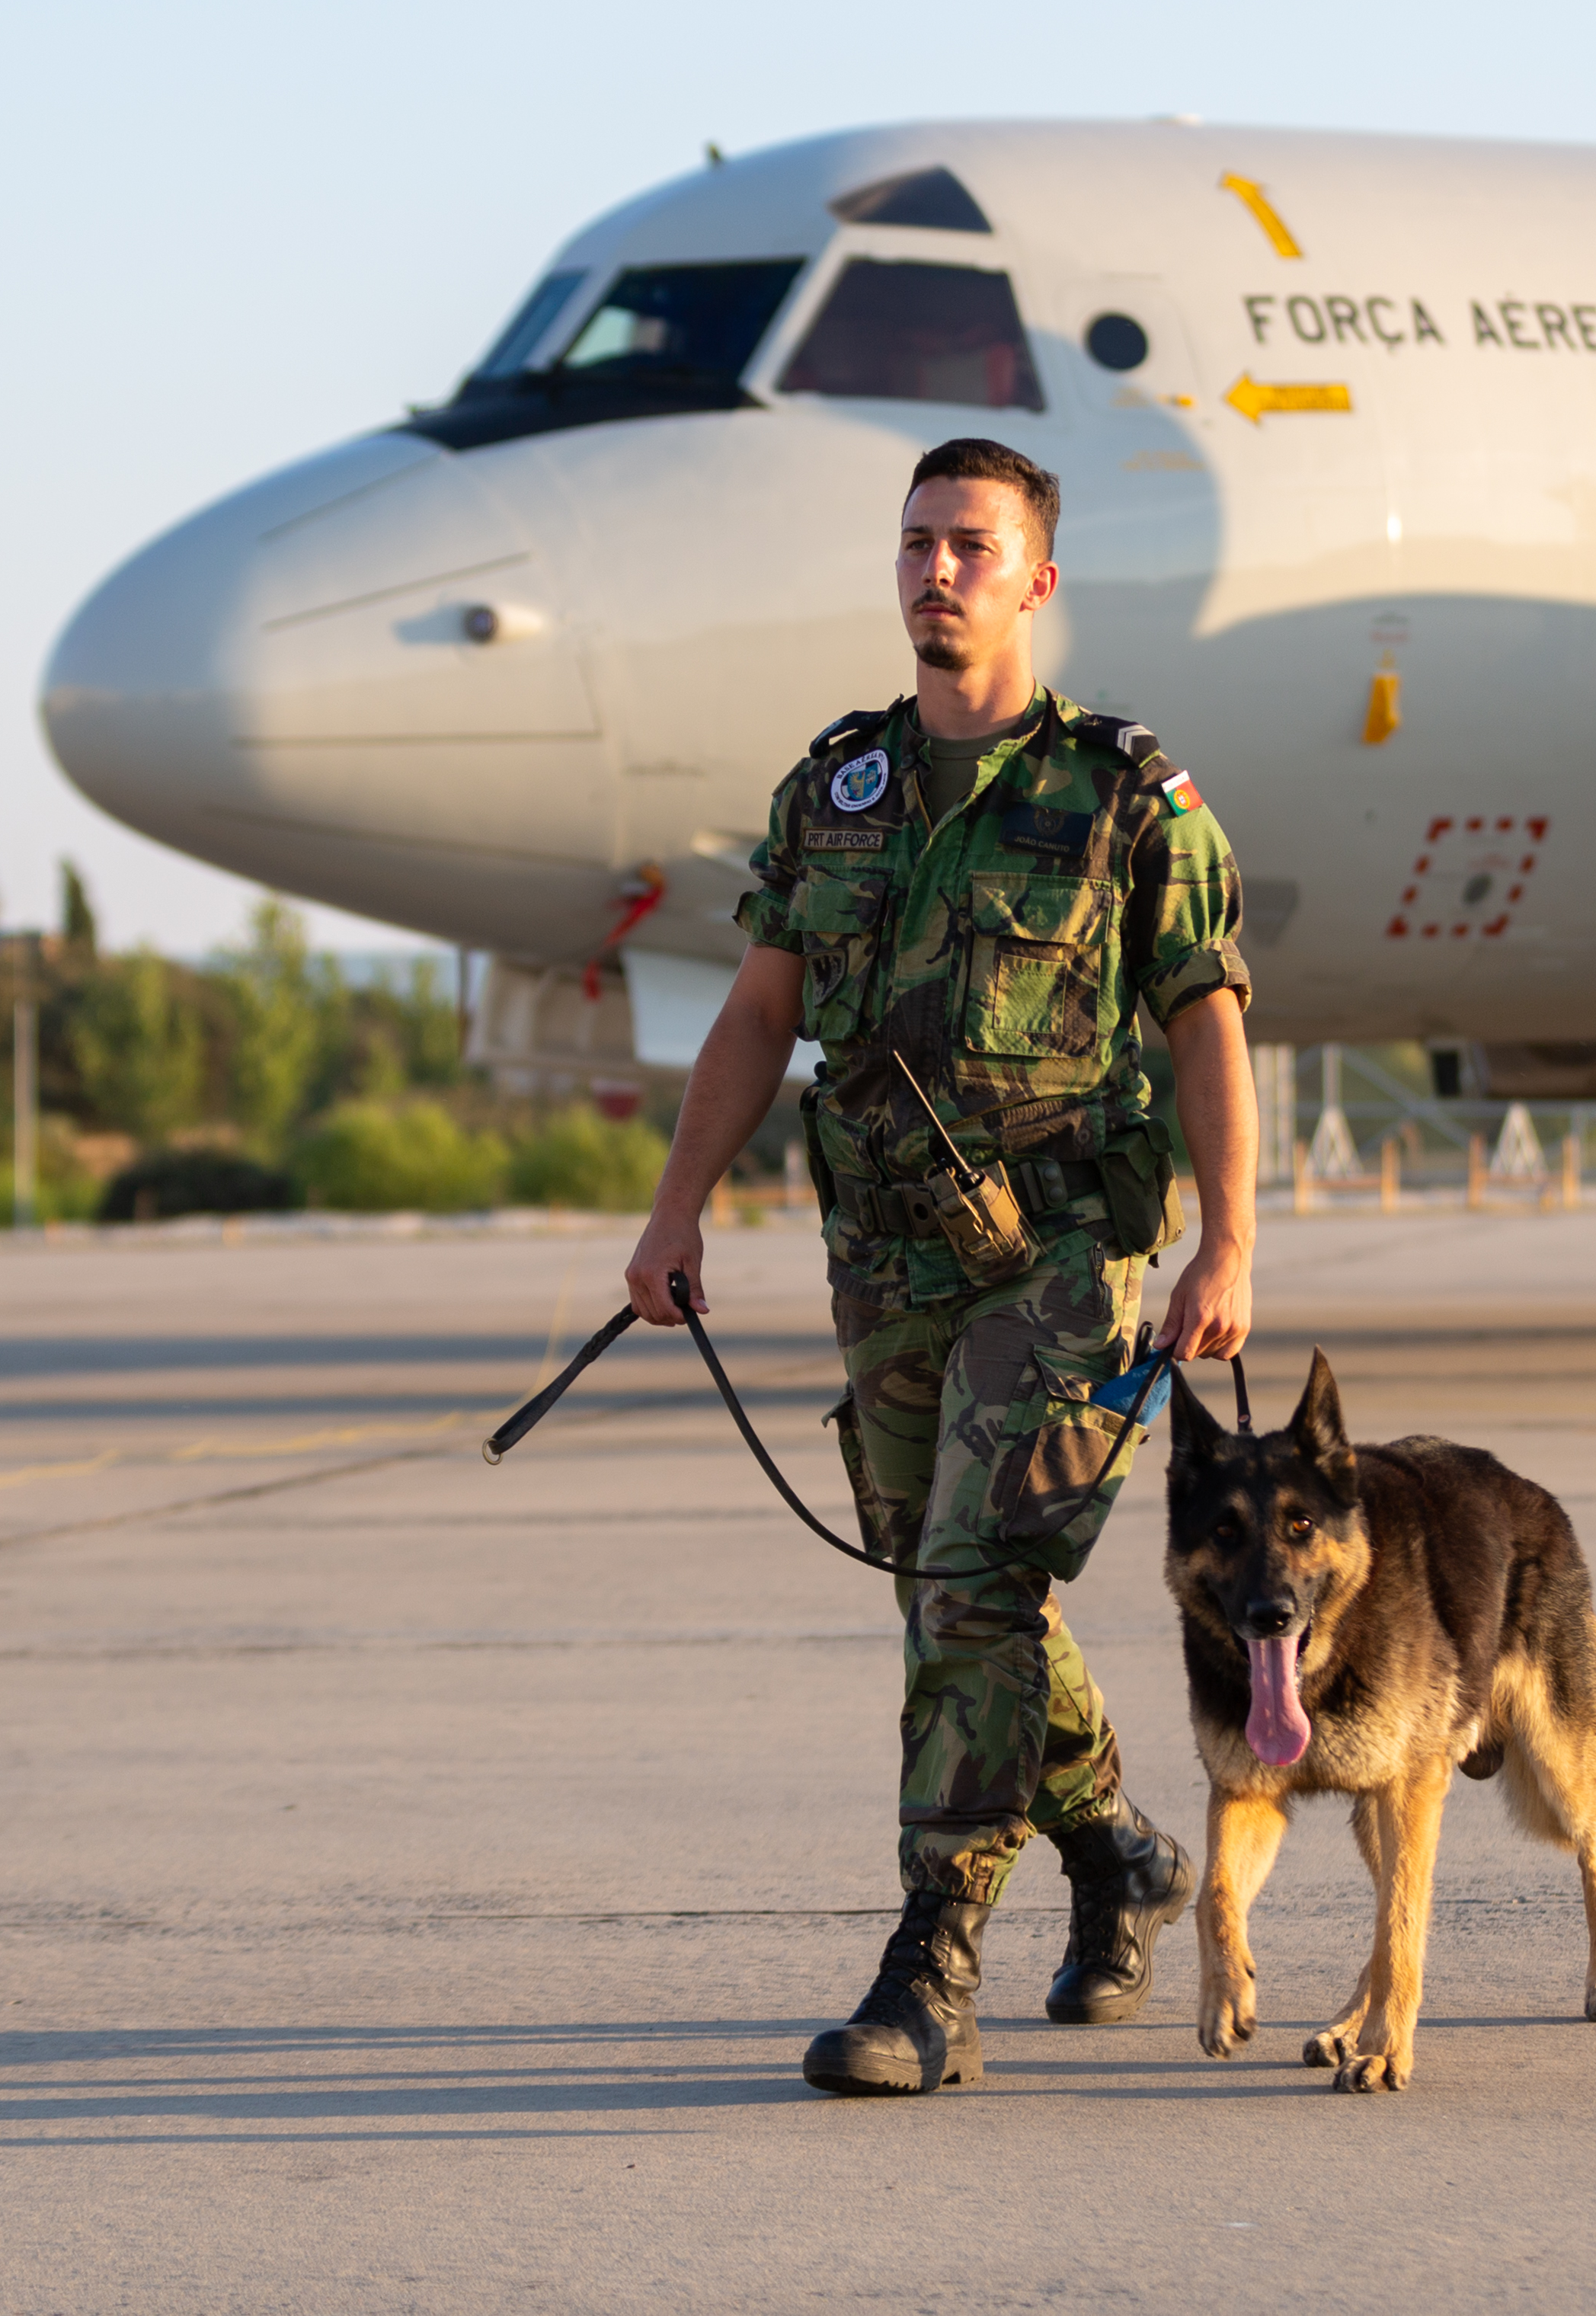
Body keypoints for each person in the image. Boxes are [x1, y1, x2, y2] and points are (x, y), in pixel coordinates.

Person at [619, 433, 1258, 2099]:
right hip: (880, 1253)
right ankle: (1114, 1843)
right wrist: (672, 1210)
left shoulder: (1124, 793)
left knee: (973, 1583)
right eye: (914, 542)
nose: (936, 569)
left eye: (972, 544)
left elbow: (1207, 1016)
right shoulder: (835, 785)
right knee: (946, 1583)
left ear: (1036, 576)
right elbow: (760, 1014)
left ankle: (932, 1959)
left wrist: (1230, 1236)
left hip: (1058, 1252)